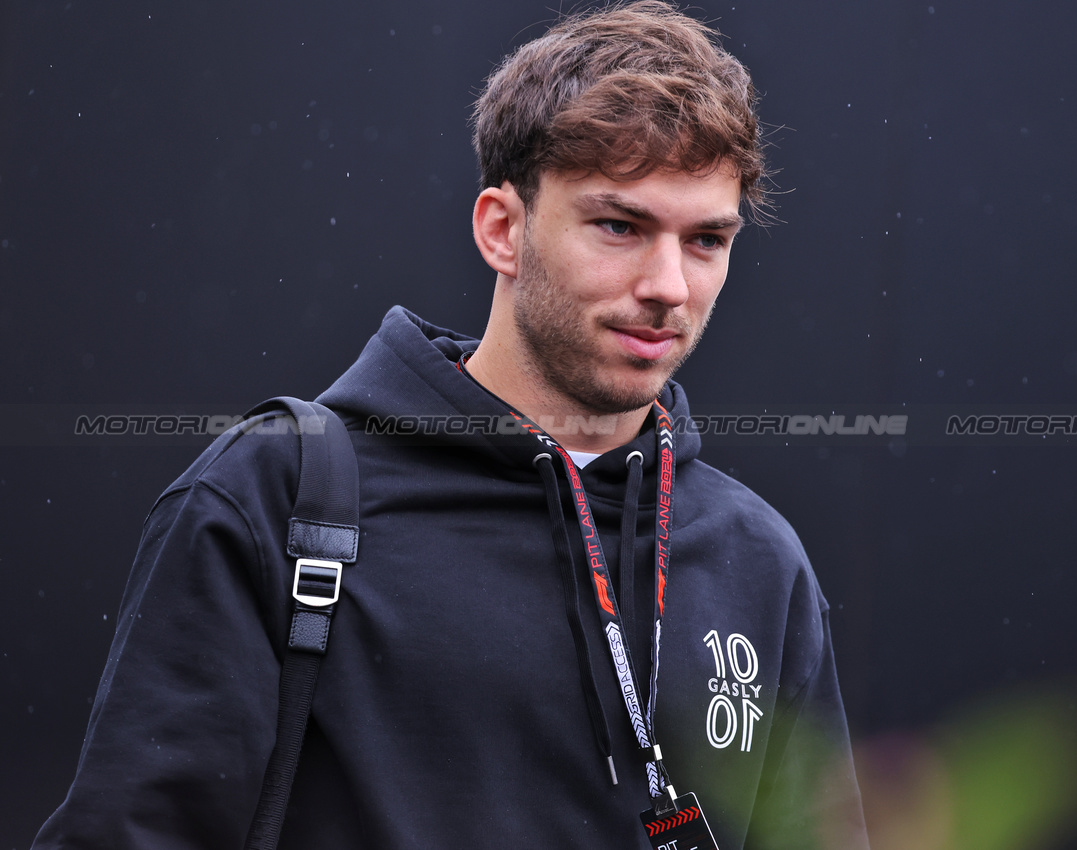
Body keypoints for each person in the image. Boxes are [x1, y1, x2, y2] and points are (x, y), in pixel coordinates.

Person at [33, 2, 869, 848]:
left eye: (705, 241)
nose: (668, 285)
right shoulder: (275, 499)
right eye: (619, 226)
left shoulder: (758, 559)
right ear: (502, 230)